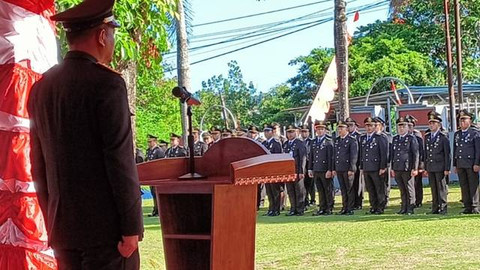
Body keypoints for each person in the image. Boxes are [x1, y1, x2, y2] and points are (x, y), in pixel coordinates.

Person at [27, 0, 143, 268]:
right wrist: (131, 228)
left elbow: (38, 165)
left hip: (63, 230)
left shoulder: (41, 88)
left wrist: (52, 221)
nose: (112, 42)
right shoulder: (108, 84)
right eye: (112, 33)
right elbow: (119, 161)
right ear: (102, 35)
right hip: (108, 233)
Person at [359, 117, 388, 214]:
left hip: (376, 168)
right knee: (370, 189)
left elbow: (383, 154)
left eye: (371, 126)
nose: (368, 128)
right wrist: (362, 167)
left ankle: (380, 207)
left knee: (379, 188)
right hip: (367, 167)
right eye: (367, 126)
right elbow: (362, 154)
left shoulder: (380, 138)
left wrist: (382, 167)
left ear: (374, 126)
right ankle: (373, 206)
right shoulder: (362, 138)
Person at [453, 109, 480, 214]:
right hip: (461, 163)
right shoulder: (457, 134)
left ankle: (475, 205)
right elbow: (455, 149)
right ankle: (467, 205)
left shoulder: (475, 133)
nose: (462, 122)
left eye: (464, 119)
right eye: (460, 120)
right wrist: (455, 164)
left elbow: (478, 150)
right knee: (464, 185)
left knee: (473, 185)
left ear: (470, 120)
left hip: (471, 163)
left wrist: (477, 163)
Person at [391, 116, 419, 215]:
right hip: (398, 167)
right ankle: (403, 207)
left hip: (407, 167)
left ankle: (410, 207)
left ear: (407, 127)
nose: (401, 128)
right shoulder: (395, 139)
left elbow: (415, 154)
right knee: (402, 189)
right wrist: (392, 167)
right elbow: (393, 154)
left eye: (403, 126)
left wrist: (415, 168)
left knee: (409, 188)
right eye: (399, 126)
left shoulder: (411, 138)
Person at [424, 111, 451, 215]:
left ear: (439, 124)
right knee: (433, 188)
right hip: (431, 166)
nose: (431, 125)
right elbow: (426, 153)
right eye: (430, 123)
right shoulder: (427, 137)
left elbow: (447, 154)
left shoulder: (443, 136)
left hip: (440, 166)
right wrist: (426, 167)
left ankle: (443, 208)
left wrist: (447, 168)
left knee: (441, 188)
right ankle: (435, 208)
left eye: (433, 123)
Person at [308, 121, 334, 216]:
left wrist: (330, 169)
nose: (319, 131)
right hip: (316, 169)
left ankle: (329, 207)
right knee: (320, 190)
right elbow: (311, 156)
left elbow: (331, 157)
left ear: (325, 130)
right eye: (318, 129)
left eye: (321, 129)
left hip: (325, 169)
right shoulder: (313, 142)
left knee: (328, 189)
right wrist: (310, 168)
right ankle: (322, 207)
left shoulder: (328, 141)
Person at [333, 120, 359, 215]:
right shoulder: (337, 140)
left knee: (350, 189)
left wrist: (352, 168)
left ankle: (350, 208)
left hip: (348, 168)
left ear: (346, 129)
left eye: (341, 128)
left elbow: (353, 156)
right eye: (338, 128)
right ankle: (344, 207)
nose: (339, 130)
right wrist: (334, 168)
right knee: (343, 189)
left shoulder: (352, 140)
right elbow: (335, 155)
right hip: (340, 168)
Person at [283, 125, 307, 216]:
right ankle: (293, 208)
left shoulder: (299, 143)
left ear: (296, 132)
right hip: (288, 171)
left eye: (292, 132)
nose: (290, 134)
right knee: (290, 191)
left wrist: (301, 171)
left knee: (299, 190)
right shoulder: (285, 144)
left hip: (297, 170)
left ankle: (300, 209)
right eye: (288, 132)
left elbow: (302, 158)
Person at [262, 124, 283, 216]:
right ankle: (271, 208)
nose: (266, 133)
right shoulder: (264, 144)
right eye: (265, 131)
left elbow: (278, 157)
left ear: (273, 132)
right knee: (269, 191)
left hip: (274, 170)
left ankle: (276, 209)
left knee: (275, 191)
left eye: (268, 131)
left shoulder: (276, 143)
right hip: (266, 171)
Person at [406, 115, 425, 208]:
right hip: (407, 164)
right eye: (407, 125)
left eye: (410, 126)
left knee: (417, 183)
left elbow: (420, 151)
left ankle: (418, 200)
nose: (409, 128)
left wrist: (420, 166)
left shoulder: (416, 135)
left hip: (416, 164)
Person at [345, 117, 364, 210]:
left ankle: (358, 202)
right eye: (347, 126)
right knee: (349, 185)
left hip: (357, 164)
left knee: (358, 184)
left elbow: (361, 151)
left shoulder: (359, 136)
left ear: (355, 126)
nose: (349, 127)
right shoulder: (345, 137)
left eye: (351, 125)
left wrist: (361, 164)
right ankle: (351, 202)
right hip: (347, 165)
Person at [146, 134, 166, 217]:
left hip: (157, 175)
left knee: (157, 192)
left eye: (150, 142)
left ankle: (159, 210)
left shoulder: (159, 151)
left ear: (155, 142)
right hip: (151, 175)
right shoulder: (149, 151)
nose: (149, 143)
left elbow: (161, 163)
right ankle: (155, 209)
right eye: (148, 142)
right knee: (153, 193)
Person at [374, 117, 392, 205]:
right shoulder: (374, 137)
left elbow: (388, 151)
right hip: (376, 164)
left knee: (385, 183)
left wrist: (386, 165)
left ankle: (385, 199)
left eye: (376, 125)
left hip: (386, 163)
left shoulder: (386, 136)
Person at [300, 124, 315, 207]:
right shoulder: (299, 142)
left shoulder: (312, 141)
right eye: (302, 132)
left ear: (308, 132)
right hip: (302, 166)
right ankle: (305, 200)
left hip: (309, 164)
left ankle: (313, 199)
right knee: (304, 184)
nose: (304, 133)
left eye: (305, 132)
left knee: (311, 184)